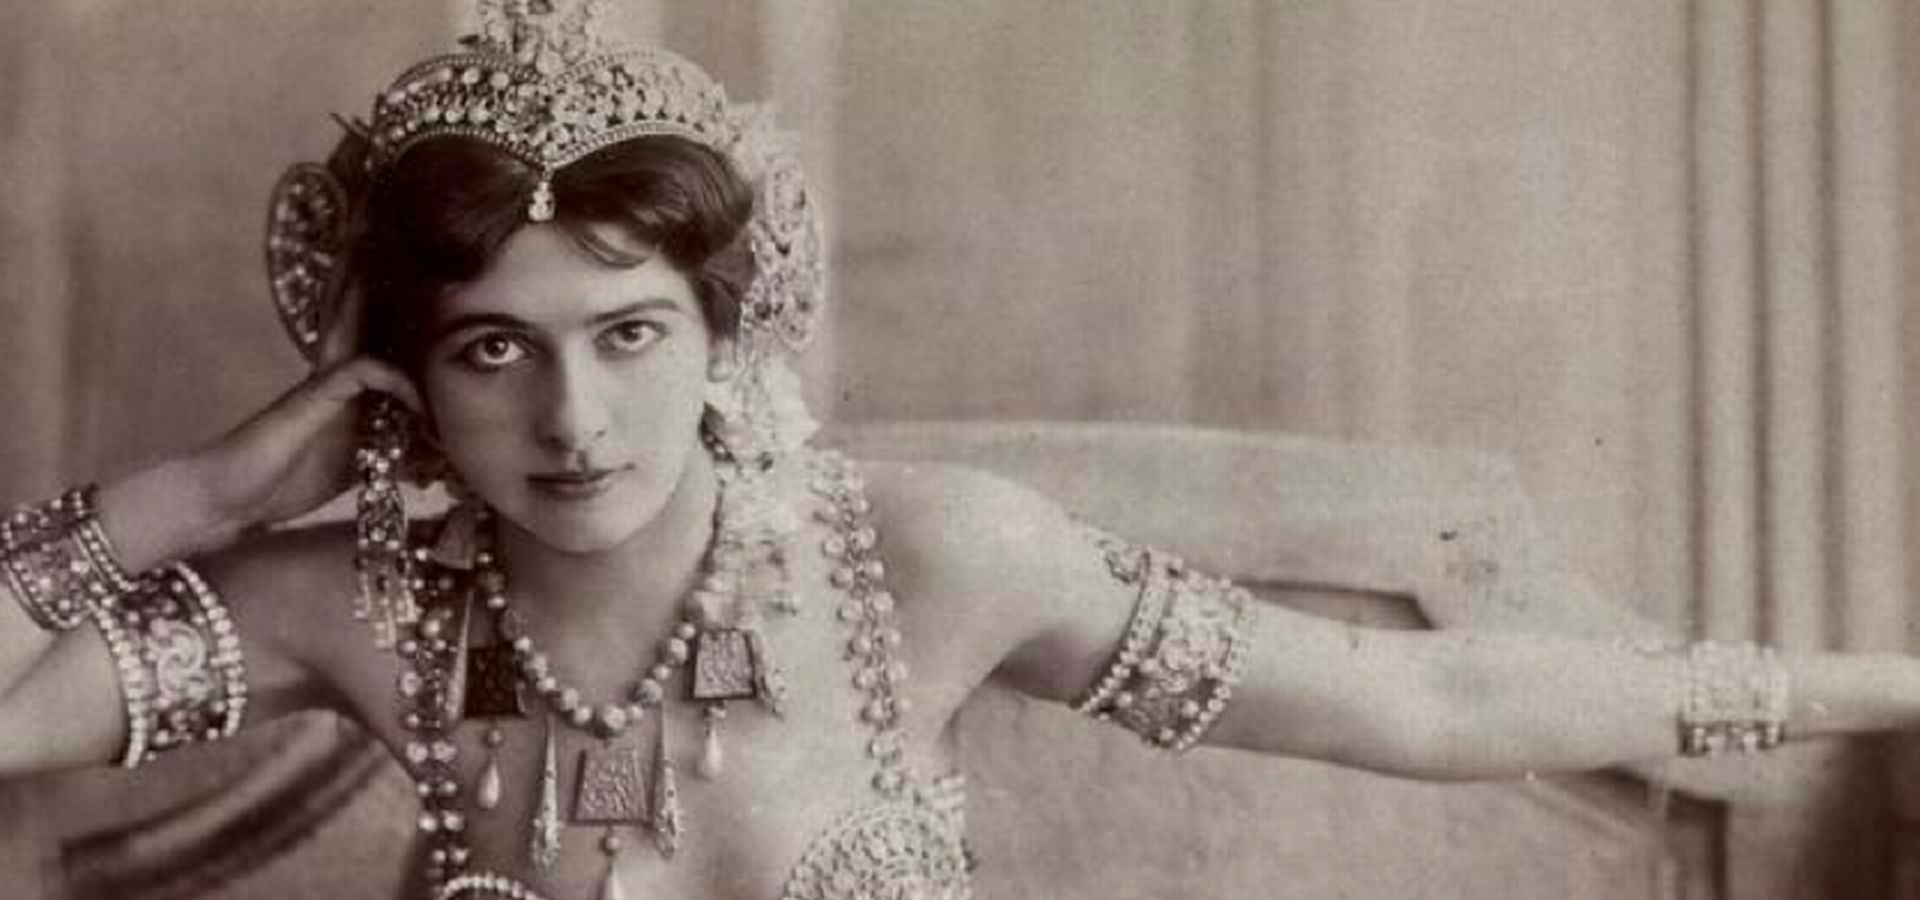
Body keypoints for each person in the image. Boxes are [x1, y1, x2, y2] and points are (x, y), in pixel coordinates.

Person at [2, 3, 1917, 899]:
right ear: (407, 379)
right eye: (495, 349)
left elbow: (1421, 696)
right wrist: (194, 498)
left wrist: (1878, 689)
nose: (572, 421)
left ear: (726, 333)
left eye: (631, 334)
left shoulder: (923, 561)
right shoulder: (363, 608)